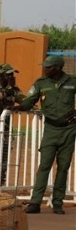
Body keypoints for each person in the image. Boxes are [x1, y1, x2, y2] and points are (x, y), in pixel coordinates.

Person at [13, 55, 76, 215]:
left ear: (57, 68)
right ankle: (35, 202)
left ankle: (57, 203)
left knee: (63, 167)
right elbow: (29, 101)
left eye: (48, 67)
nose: (45, 69)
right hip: (50, 129)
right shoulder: (41, 83)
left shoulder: (72, 81)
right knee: (44, 166)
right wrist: (17, 107)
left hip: (69, 130)